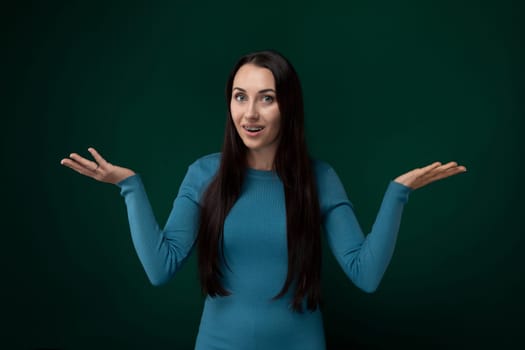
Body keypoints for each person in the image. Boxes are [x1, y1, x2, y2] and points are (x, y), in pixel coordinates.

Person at [60, 50, 467, 349]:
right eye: (240, 96)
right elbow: (160, 268)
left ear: (287, 107)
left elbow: (366, 274)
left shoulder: (319, 179)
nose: (250, 113)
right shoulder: (204, 174)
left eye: (266, 98)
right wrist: (130, 186)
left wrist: (398, 195)